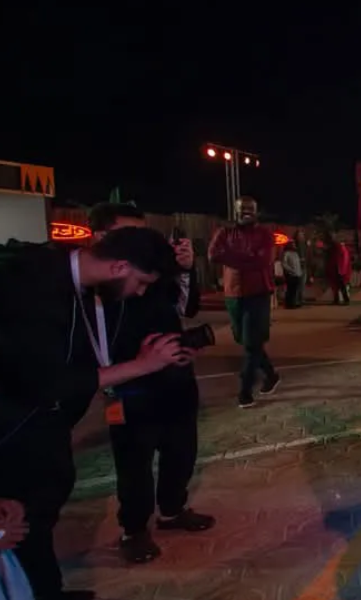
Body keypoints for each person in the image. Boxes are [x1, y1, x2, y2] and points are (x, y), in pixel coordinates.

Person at [0, 227, 188, 600]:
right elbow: (48, 382)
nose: (140, 292)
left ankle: (47, 590)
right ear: (119, 266)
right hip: (14, 432)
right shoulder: (35, 288)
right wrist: (142, 365)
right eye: (140, 282)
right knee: (18, 525)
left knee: (36, 522)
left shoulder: (72, 281)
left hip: (42, 430)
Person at [86, 204, 216, 564]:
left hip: (176, 381)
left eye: (143, 234)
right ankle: (134, 529)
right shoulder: (94, 290)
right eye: (128, 234)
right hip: (130, 389)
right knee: (134, 464)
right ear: (101, 238)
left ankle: (172, 511)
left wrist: (186, 270)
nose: (139, 243)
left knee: (181, 452)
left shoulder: (154, 274)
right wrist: (131, 368)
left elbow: (186, 308)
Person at [209, 196, 280, 408]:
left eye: (250, 209)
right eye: (242, 209)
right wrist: (247, 257)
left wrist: (231, 256)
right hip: (233, 295)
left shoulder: (265, 234)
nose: (246, 212)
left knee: (250, 344)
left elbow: (263, 260)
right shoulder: (224, 232)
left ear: (256, 212)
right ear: (236, 211)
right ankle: (271, 375)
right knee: (247, 340)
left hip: (258, 294)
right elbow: (213, 255)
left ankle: (245, 391)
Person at [326, 235, 351, 306]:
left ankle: (342, 299)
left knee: (339, 286)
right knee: (339, 286)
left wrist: (341, 270)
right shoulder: (340, 248)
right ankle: (341, 299)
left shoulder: (337, 248)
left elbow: (340, 260)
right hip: (338, 269)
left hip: (337, 270)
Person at [280, 243, 304, 309]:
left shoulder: (296, 254)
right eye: (293, 245)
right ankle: (289, 304)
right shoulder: (286, 253)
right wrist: (290, 270)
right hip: (290, 275)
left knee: (295, 290)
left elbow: (298, 263)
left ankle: (294, 302)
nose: (294, 246)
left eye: (294, 245)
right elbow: (284, 263)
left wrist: (300, 272)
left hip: (297, 274)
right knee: (290, 289)